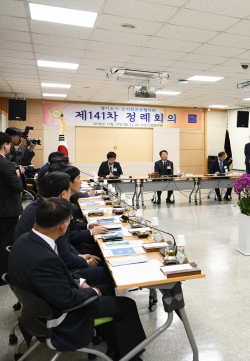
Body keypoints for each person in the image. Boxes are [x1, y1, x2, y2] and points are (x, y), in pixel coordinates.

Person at [9, 198, 146, 360]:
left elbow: (59, 274)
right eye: (69, 220)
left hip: (40, 304)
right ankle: (131, 357)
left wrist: (80, 282)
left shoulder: (24, 240)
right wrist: (93, 291)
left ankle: (114, 347)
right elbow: (67, 299)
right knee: (127, 305)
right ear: (63, 226)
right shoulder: (45, 259)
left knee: (107, 289)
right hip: (61, 315)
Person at [13, 172, 114, 295]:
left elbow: (64, 243)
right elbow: (63, 255)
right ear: (63, 194)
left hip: (36, 268)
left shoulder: (37, 206)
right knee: (109, 273)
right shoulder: (53, 214)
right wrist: (85, 264)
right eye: (69, 189)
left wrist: (79, 256)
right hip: (52, 273)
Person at [0, 132, 23, 282]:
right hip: (6, 210)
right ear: (5, 145)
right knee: (6, 242)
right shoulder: (6, 164)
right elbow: (18, 187)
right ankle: (4, 274)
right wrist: (18, 174)